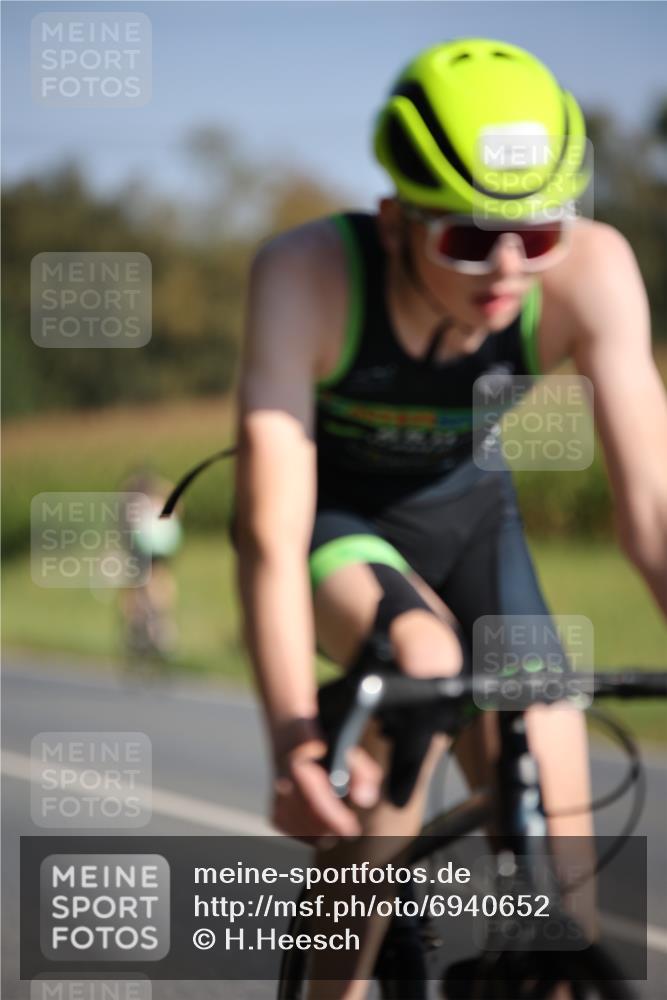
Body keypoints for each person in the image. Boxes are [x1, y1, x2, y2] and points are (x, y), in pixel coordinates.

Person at [235, 38, 667, 998]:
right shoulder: (306, 275)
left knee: (556, 800)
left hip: (473, 519)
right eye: (468, 240)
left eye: (538, 236)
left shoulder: (594, 274)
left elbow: (651, 510)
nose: (508, 270)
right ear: (394, 218)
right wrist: (291, 741)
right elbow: (270, 525)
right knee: (424, 665)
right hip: (332, 519)